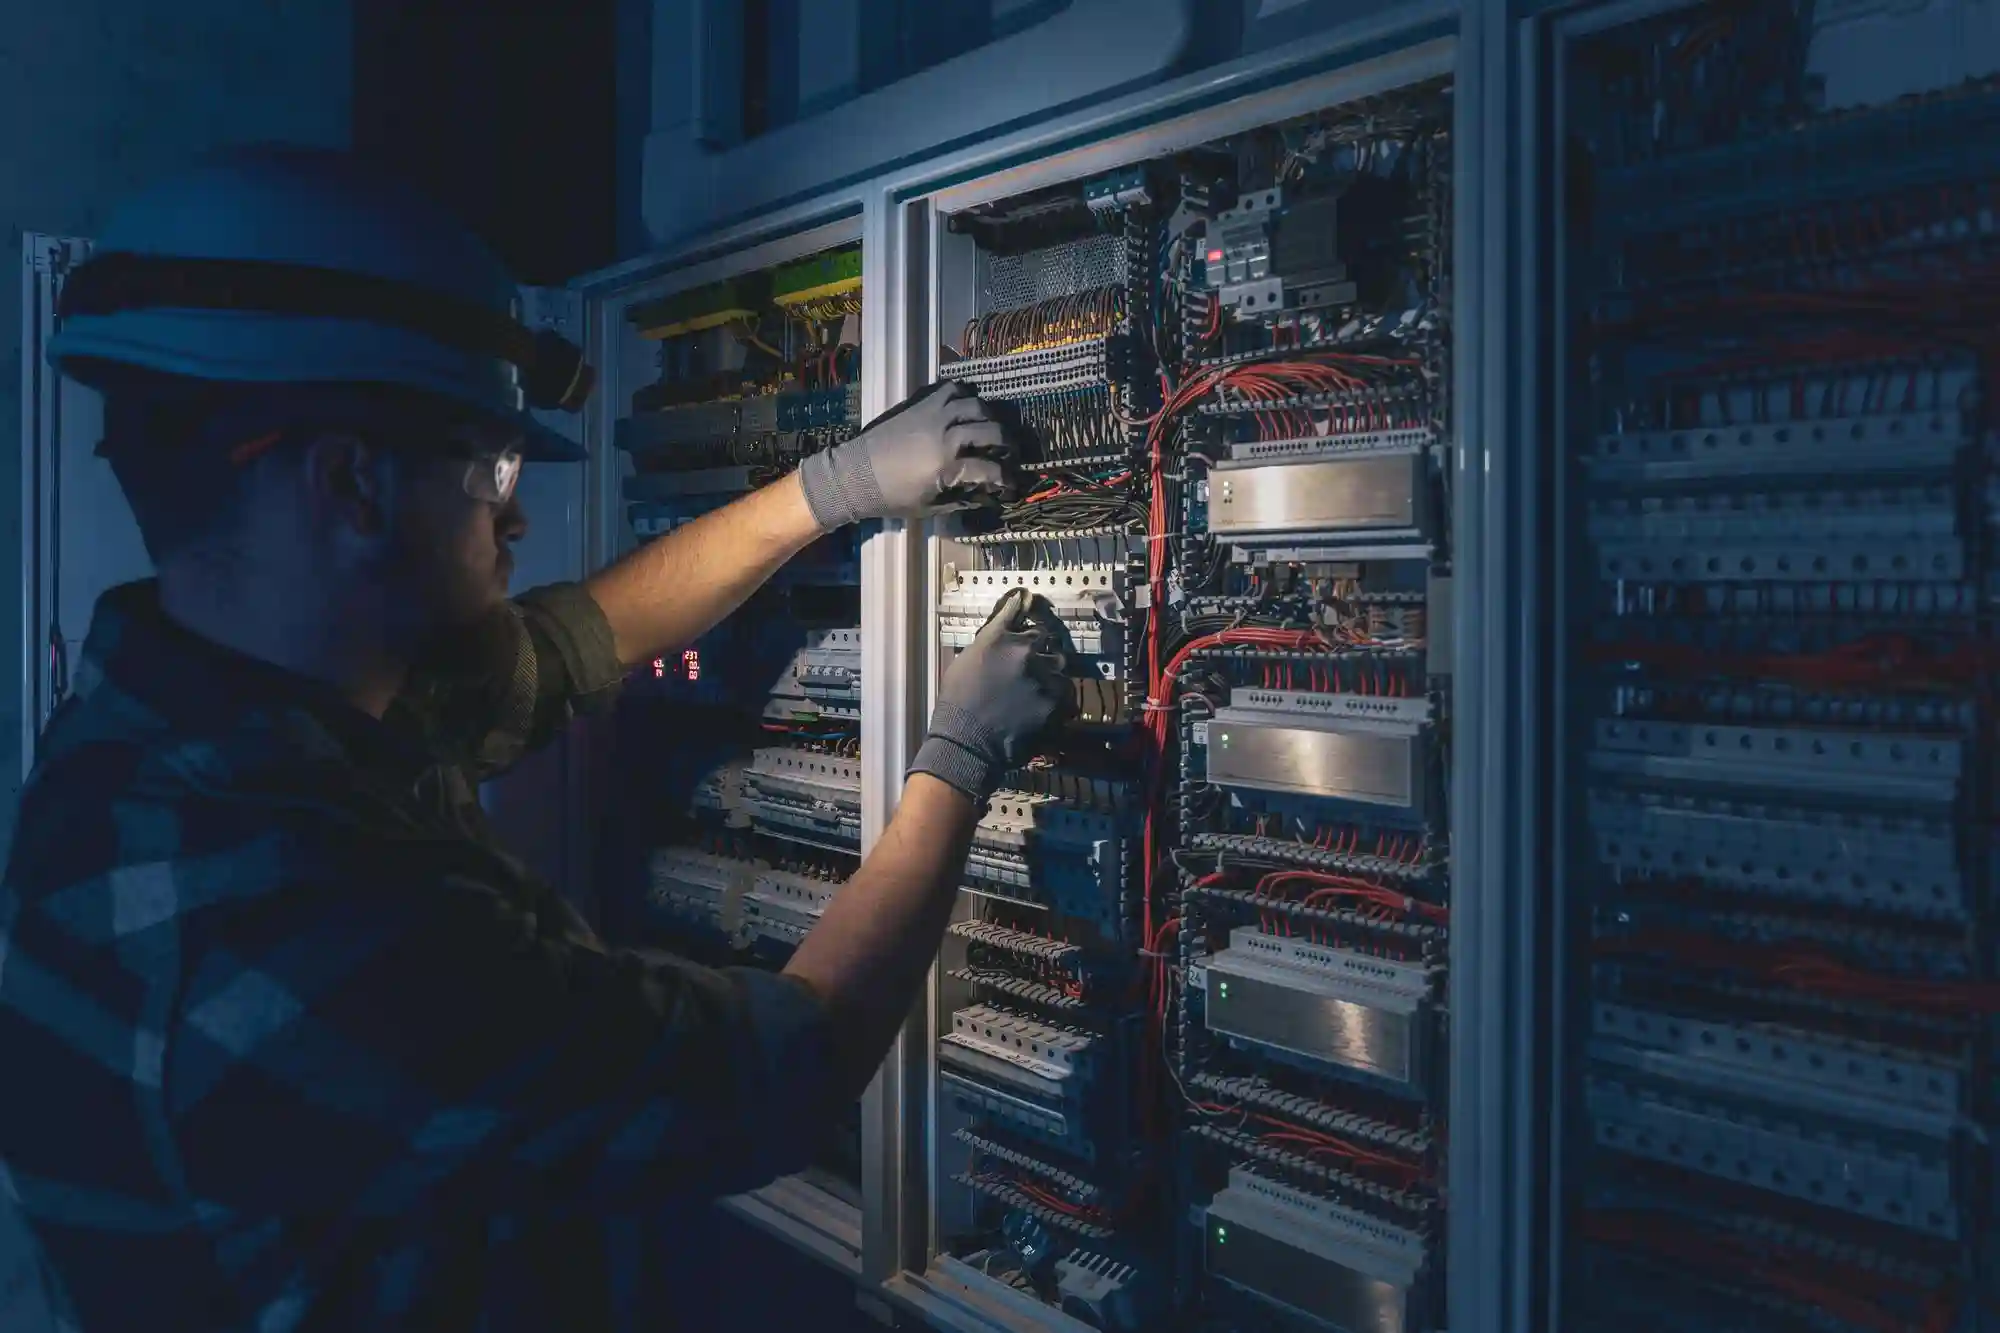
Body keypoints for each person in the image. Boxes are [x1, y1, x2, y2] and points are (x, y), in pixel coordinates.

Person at [0, 145, 1070, 1331]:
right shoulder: (272, 905)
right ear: (352, 485)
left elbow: (583, 638)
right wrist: (956, 763)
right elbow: (775, 1075)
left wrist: (835, 485)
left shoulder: (208, 735)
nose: (513, 512)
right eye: (491, 464)